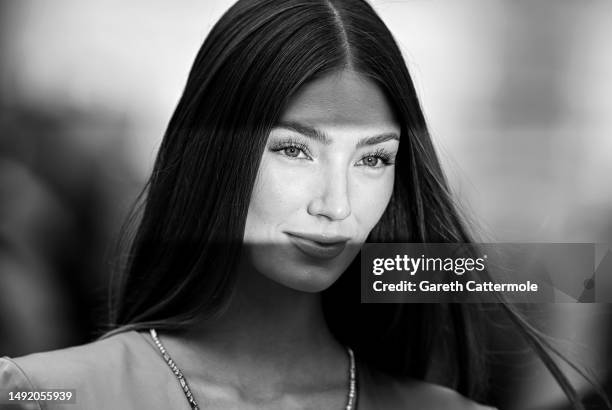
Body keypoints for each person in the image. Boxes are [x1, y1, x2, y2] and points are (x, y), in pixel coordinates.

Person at [0, 0, 595, 409]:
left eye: (372, 159)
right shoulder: (42, 393)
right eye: (293, 149)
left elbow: (568, 274)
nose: (336, 206)